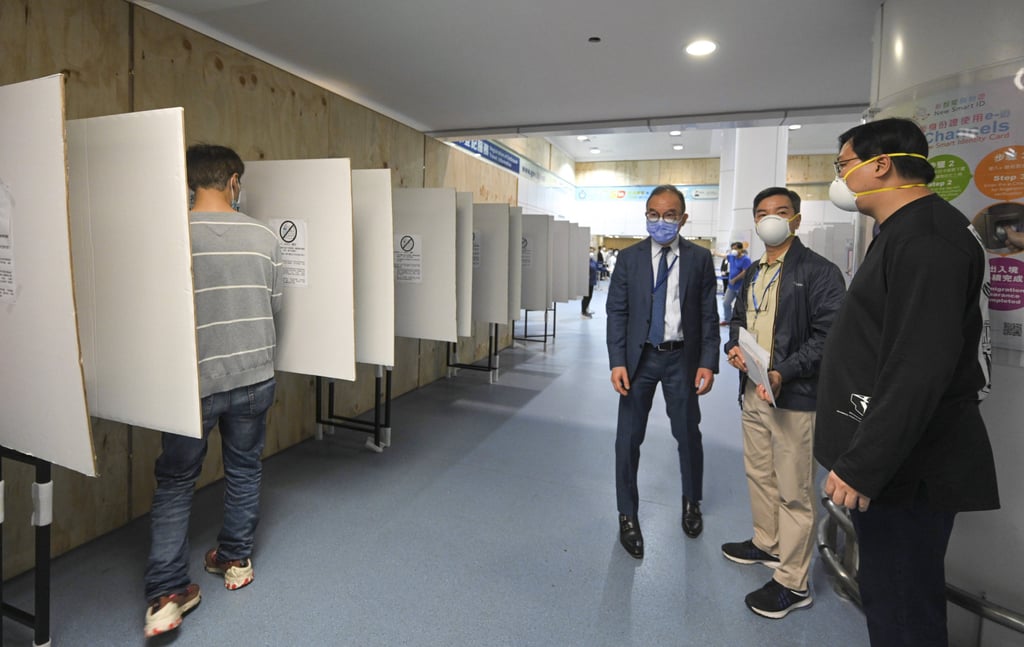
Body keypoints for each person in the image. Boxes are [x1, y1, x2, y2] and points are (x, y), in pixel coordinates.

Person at [815, 118, 999, 646]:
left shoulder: (927, 239)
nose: (840, 179)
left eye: (843, 166)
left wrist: (864, 464)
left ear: (880, 165)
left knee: (902, 605)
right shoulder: (904, 232)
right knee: (891, 595)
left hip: (906, 468)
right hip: (893, 460)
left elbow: (919, 367)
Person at [144, 144, 284, 638]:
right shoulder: (265, 237)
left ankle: (166, 594)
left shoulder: (172, 236)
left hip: (193, 382)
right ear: (232, 182)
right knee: (244, 468)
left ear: (190, 183)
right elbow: (276, 305)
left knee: (177, 482)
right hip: (253, 376)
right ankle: (235, 560)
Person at [721, 187, 846, 619]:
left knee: (794, 489)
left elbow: (829, 337)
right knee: (759, 473)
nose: (769, 219)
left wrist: (783, 371)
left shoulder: (819, 271)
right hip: (754, 391)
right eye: (761, 213)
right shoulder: (755, 271)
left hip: (795, 398)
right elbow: (739, 318)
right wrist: (733, 350)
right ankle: (766, 542)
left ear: (796, 218)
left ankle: (793, 582)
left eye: (780, 212)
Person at [606, 185, 720, 558]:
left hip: (681, 359)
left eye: (669, 215)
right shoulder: (629, 259)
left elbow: (707, 314)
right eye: (653, 214)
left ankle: (692, 501)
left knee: (688, 435)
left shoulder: (700, 259)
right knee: (628, 440)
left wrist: (707, 361)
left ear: (683, 218)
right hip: (639, 361)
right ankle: (627, 514)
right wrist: (617, 361)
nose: (661, 221)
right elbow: (617, 313)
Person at [721, 242, 750, 325]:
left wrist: (735, 279)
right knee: (726, 303)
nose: (734, 250)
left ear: (741, 249)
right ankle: (728, 320)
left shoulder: (746, 260)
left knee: (741, 306)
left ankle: (742, 322)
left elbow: (745, 272)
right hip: (731, 287)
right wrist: (714, 252)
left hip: (740, 287)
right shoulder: (732, 257)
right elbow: (724, 256)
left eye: (736, 248)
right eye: (733, 248)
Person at [582, 251, 599, 318]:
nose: (591, 254)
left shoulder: (593, 261)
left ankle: (586, 309)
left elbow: (596, 266)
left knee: (590, 297)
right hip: (587, 282)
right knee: (586, 297)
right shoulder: (586, 262)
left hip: (592, 281)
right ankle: (583, 311)